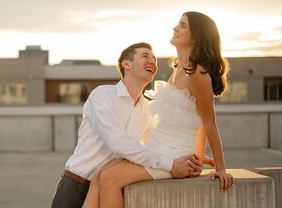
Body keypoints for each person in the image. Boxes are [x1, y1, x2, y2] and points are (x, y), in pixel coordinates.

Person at [82, 11, 235, 208]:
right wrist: (199, 153)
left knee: (110, 179)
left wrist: (221, 169)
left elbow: (208, 122)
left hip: (175, 152)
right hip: (156, 146)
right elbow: (192, 116)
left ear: (196, 36)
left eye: (182, 25)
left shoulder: (198, 72)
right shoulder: (179, 67)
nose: (175, 28)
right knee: (99, 176)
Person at [51, 42, 203, 208]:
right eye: (145, 56)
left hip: (109, 186)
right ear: (126, 64)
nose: (152, 61)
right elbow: (119, 144)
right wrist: (170, 164)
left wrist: (194, 155)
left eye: (154, 59)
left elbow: (158, 142)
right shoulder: (102, 95)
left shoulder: (148, 110)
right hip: (76, 186)